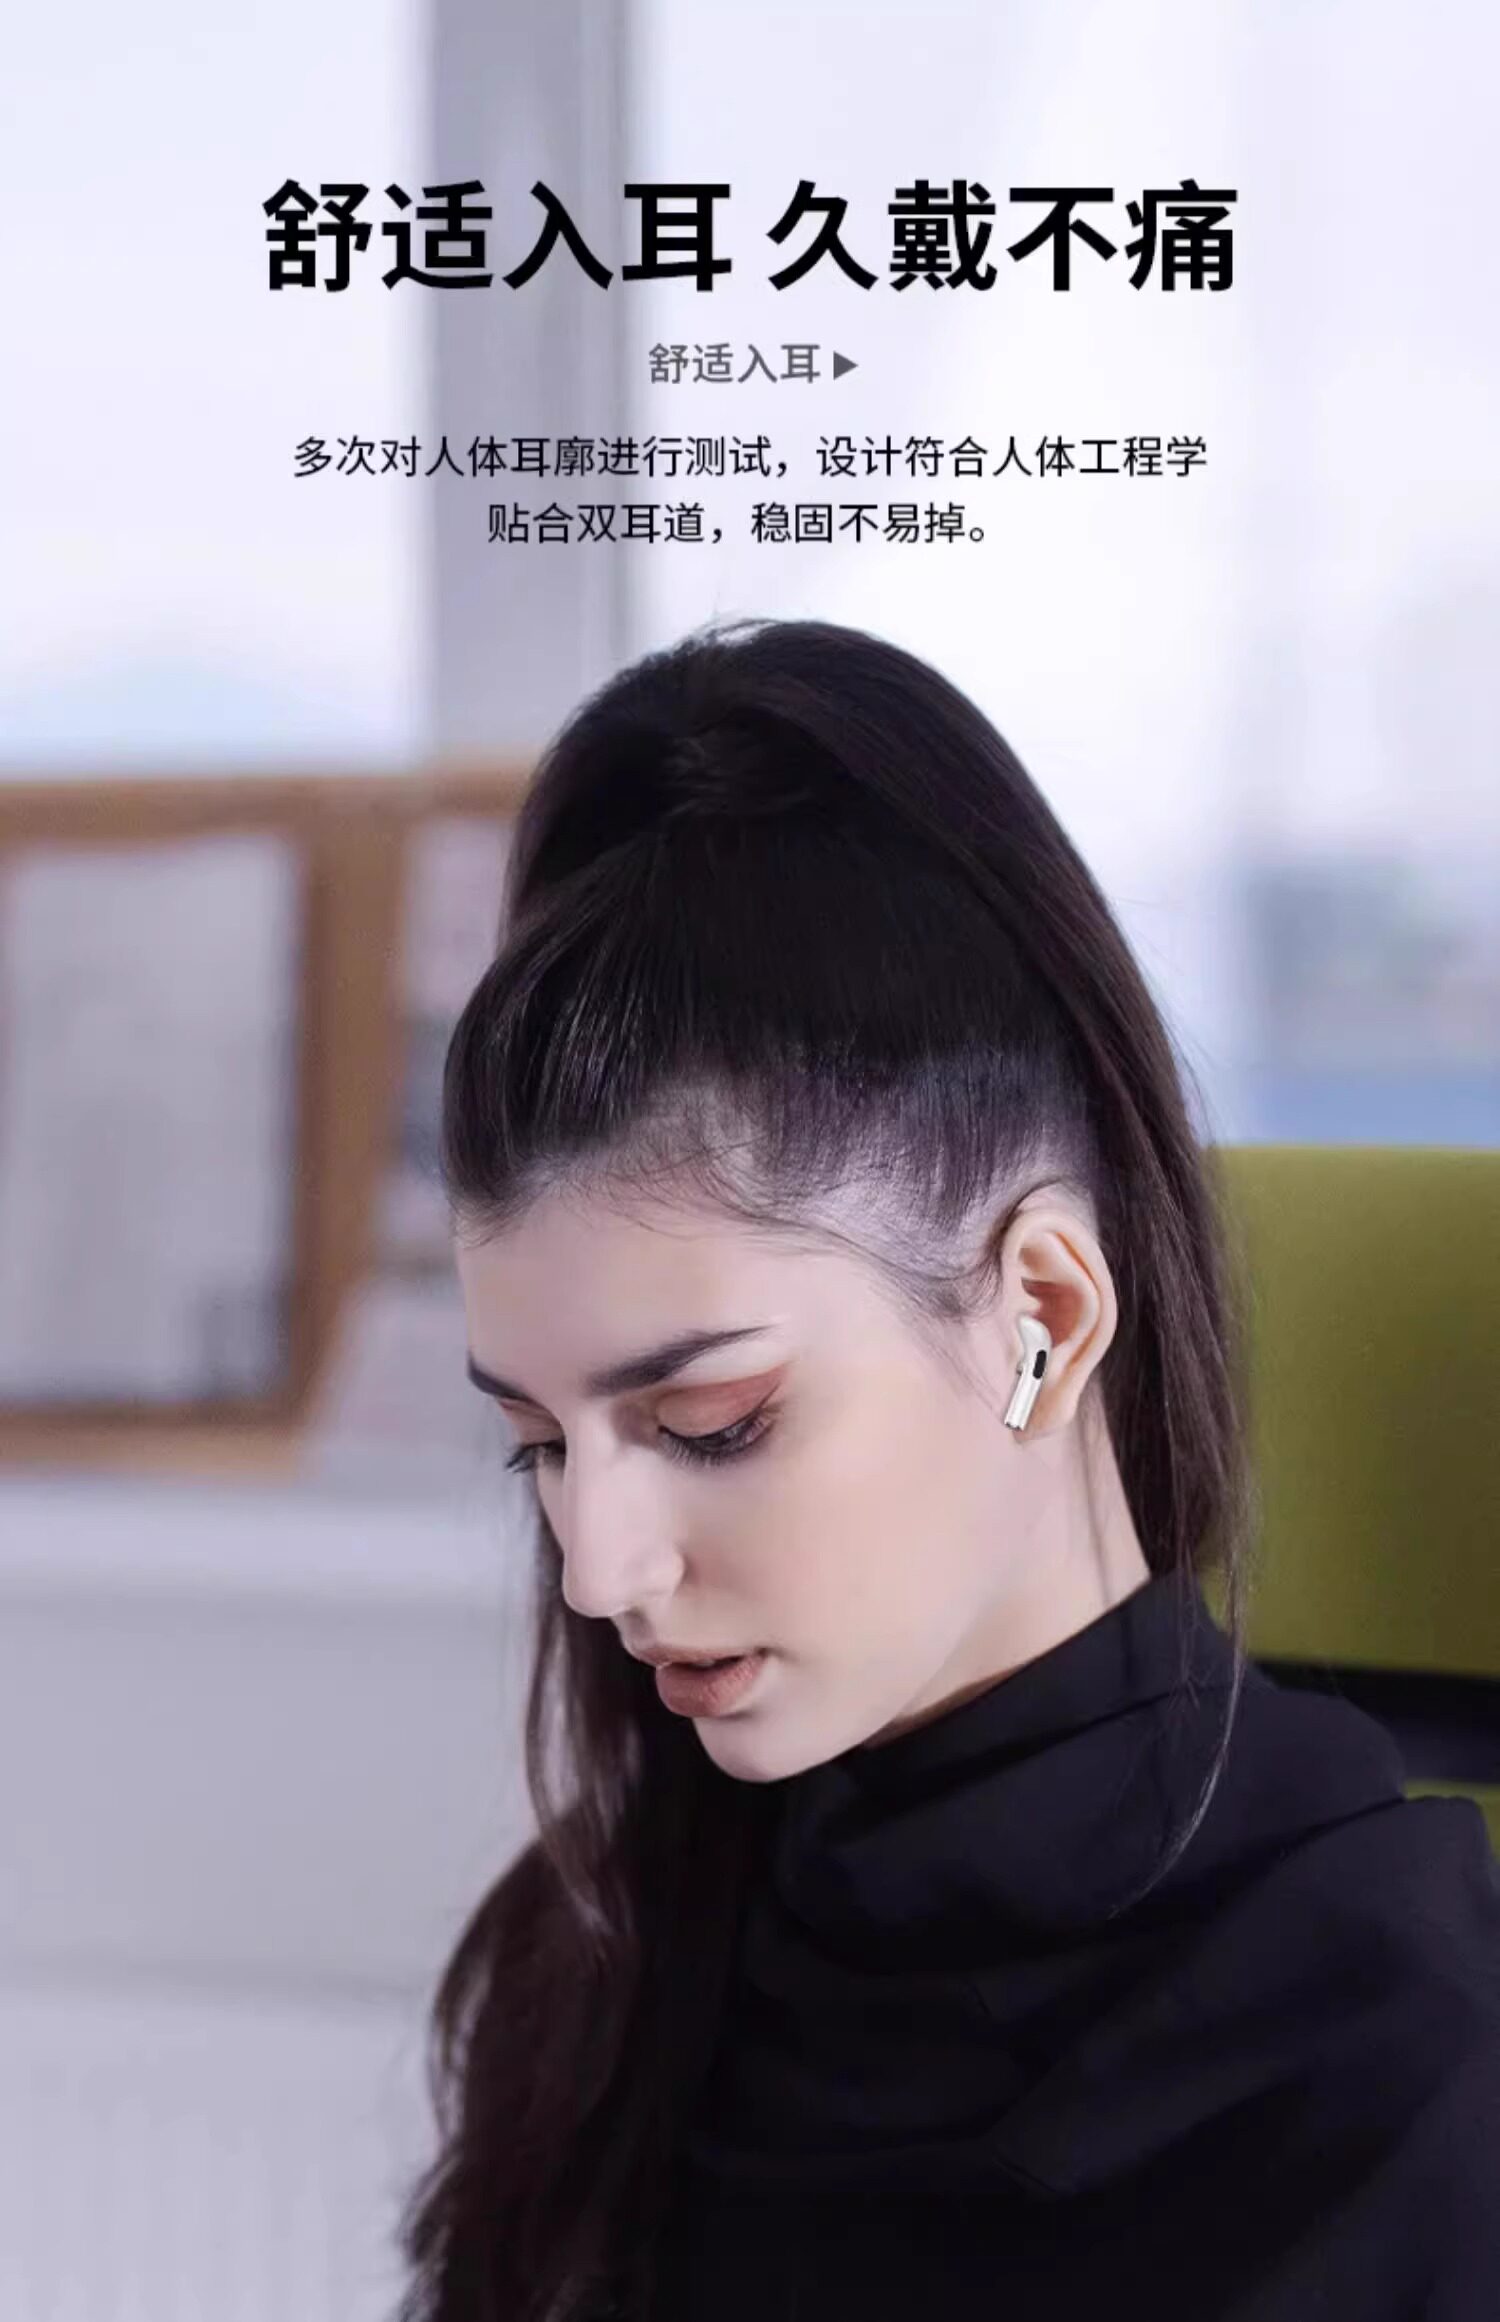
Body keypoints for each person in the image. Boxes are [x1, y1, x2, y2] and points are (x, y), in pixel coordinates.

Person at [394, 617, 1500, 2322]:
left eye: (712, 1423)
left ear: (1044, 1314)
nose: (600, 1568)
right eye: (539, 1443)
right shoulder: (599, 1965)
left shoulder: (1391, 2065)